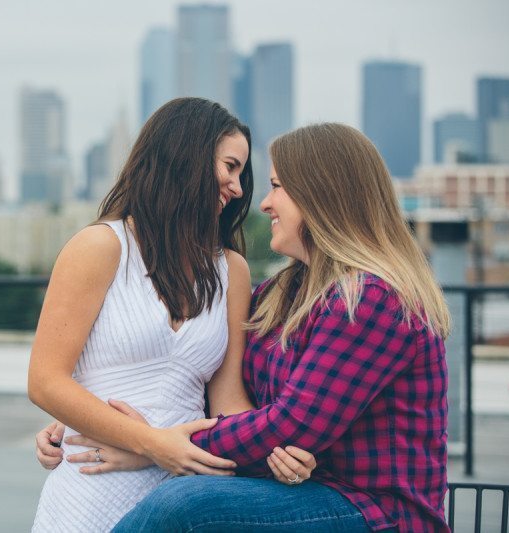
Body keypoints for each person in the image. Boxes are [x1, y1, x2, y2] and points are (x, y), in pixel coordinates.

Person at [110, 123, 451, 532]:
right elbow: (210, 378)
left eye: (278, 187)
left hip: (376, 512)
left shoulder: (372, 299)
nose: (266, 204)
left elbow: (292, 424)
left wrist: (157, 447)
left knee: (184, 505)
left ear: (322, 195)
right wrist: (97, 409)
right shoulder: (281, 291)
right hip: (303, 491)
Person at [29, 97, 314, 533]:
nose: (239, 188)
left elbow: (228, 401)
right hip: (90, 490)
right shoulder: (100, 247)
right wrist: (154, 444)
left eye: (243, 173)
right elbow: (46, 381)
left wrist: (280, 449)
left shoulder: (231, 271)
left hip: (189, 493)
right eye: (230, 166)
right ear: (187, 157)